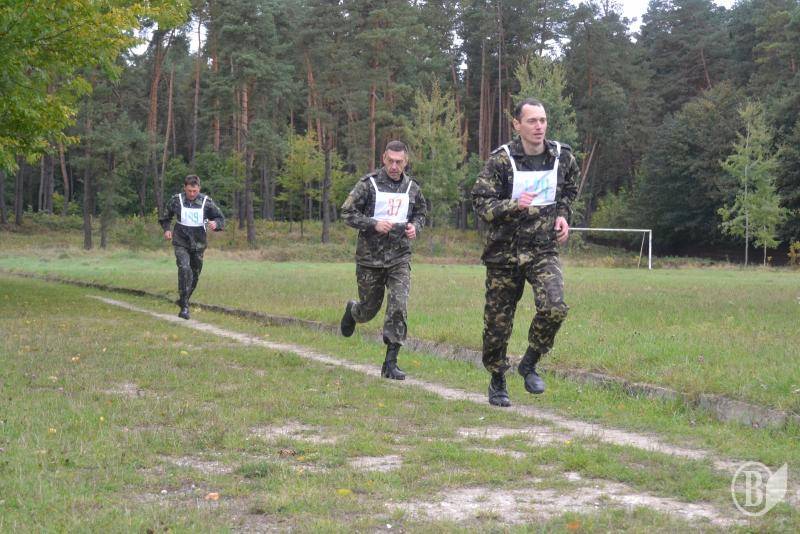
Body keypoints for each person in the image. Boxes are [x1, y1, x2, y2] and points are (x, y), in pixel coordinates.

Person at [472, 98, 579, 407]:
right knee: (497, 325)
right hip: (504, 253)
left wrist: (563, 215)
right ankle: (497, 378)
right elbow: (481, 203)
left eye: (542, 120)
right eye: (532, 121)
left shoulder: (562, 157)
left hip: (543, 249)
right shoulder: (501, 161)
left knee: (555, 307)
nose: (539, 126)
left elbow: (570, 188)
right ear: (517, 125)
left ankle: (530, 362)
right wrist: (513, 205)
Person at [339, 140, 427, 380]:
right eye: (391, 161)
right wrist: (373, 223)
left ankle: (390, 362)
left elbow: (421, 213)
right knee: (369, 310)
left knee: (398, 305)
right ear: (383, 159)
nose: (394, 166)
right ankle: (353, 311)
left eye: (399, 162)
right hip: (370, 259)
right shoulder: (368, 185)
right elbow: (346, 212)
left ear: (406, 162)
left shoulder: (412, 188)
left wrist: (415, 227)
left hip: (399, 257)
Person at [159, 174, 225, 320]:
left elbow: (220, 218)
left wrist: (216, 224)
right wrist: (167, 229)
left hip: (198, 244)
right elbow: (165, 217)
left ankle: (184, 299)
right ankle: (184, 307)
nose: (192, 194)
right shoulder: (176, 200)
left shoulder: (206, 202)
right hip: (180, 241)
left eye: (194, 191)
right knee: (184, 268)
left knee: (194, 275)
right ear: (185, 188)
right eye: (189, 191)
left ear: (199, 188)